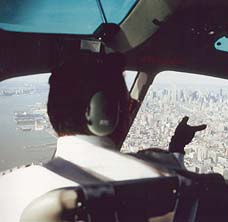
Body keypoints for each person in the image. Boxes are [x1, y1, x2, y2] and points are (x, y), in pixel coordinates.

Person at [0, 53, 205, 222]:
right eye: (129, 105)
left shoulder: (12, 191)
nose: (131, 110)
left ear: (51, 112)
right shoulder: (173, 182)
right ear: (106, 113)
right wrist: (176, 148)